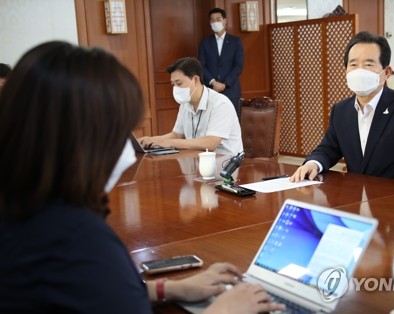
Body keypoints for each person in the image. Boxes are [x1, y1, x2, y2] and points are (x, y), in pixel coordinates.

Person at [0, 41, 284, 314]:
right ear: (83, 140)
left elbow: (100, 291)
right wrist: (225, 310)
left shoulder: (26, 209)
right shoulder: (78, 238)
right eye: (119, 130)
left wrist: (169, 289)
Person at [290, 31, 394, 184]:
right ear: (346, 71)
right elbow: (328, 149)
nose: (359, 71)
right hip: (353, 199)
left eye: (368, 64)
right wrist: (313, 163)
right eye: (353, 64)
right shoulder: (340, 110)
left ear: (387, 72)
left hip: (393, 198)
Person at [139, 57, 243, 156]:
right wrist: (152, 140)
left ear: (196, 80)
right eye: (173, 84)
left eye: (179, 83)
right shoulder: (185, 103)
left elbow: (211, 143)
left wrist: (169, 142)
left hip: (225, 165)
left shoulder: (220, 104)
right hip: (196, 161)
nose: (176, 88)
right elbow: (177, 135)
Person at [198, 7, 244, 113]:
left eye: (218, 19)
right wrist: (213, 82)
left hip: (231, 90)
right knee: (211, 121)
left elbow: (238, 66)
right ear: (209, 22)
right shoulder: (205, 42)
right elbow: (201, 65)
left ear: (225, 21)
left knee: (232, 121)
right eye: (212, 20)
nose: (215, 22)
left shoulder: (235, 42)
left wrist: (225, 84)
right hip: (210, 89)